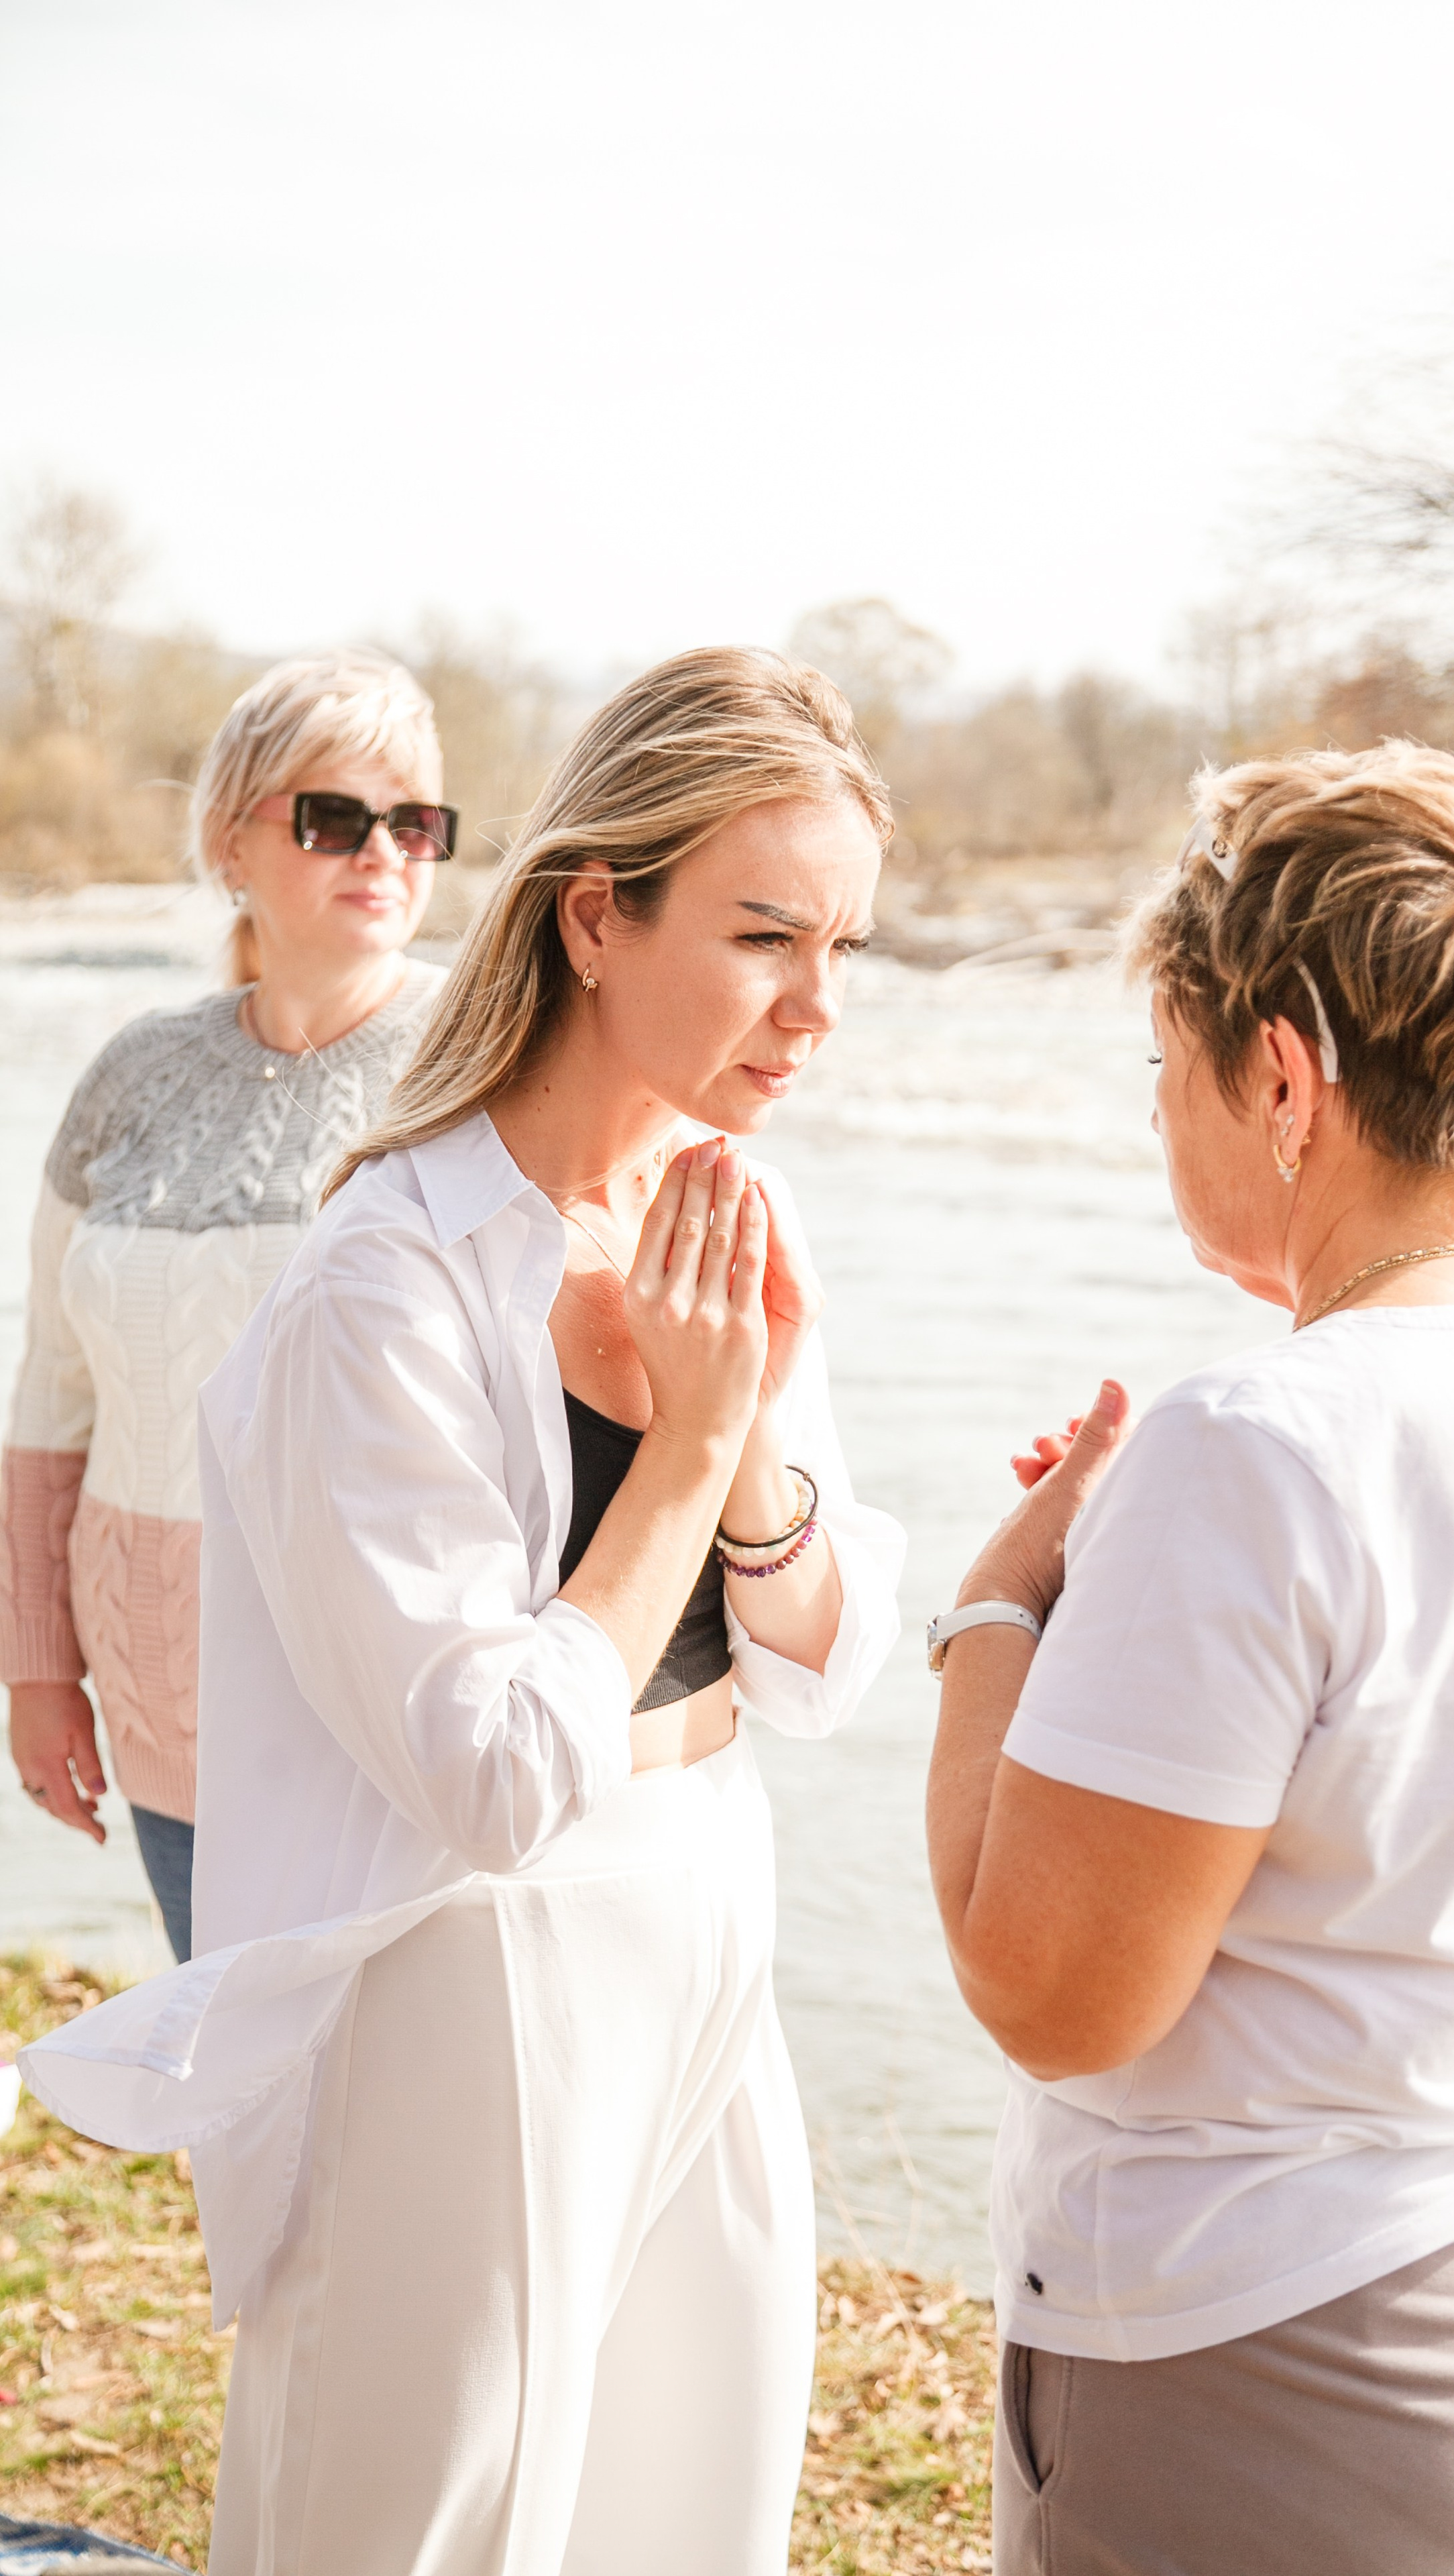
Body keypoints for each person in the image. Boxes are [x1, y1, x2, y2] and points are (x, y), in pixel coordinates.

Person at [21, 646, 905, 2576]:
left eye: (843, 945)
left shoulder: (721, 1204)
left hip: (711, 1917)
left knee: (686, 2514)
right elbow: (492, 1773)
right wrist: (690, 1446)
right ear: (596, 917)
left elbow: (821, 1663)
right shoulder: (382, 1284)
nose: (818, 1007)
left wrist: (751, 1446)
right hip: (481, 1981)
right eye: (766, 937)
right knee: (439, 2525)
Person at [925, 743, 1454, 2576]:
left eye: (1163, 1066)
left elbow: (1049, 1995)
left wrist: (996, 1615)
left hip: (1303, 2361)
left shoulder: (1256, 1442)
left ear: (1283, 1079)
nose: (1156, 1118)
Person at [1, 651, 451, 1960]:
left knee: (391, 2074)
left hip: (384, 1711)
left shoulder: (482, 1061)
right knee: (232, 2071)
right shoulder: (131, 1074)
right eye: (334, 817)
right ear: (228, 841)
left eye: (414, 822)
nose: (383, 852)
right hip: (161, 1696)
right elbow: (51, 1389)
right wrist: (38, 1666)